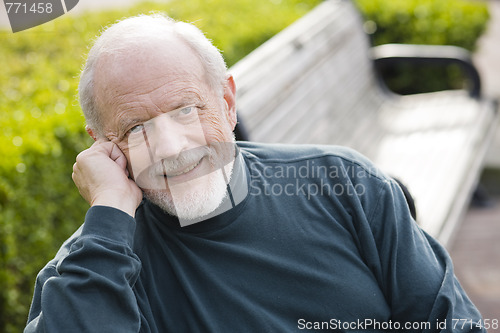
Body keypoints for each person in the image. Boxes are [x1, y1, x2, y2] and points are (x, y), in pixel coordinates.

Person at [25, 14, 486, 333]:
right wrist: (107, 220)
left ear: (226, 102)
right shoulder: (92, 270)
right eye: (135, 128)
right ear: (102, 144)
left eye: (185, 110)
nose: (169, 148)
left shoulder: (346, 185)